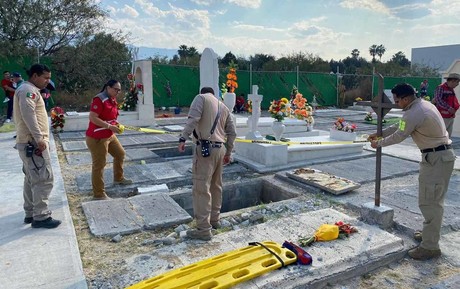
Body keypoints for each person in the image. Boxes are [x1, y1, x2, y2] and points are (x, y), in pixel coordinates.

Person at [369, 83, 455, 260]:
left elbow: (399, 136)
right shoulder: (419, 106)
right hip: (436, 157)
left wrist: (378, 143)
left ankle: (430, 247)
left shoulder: (415, 112)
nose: (396, 103)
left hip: (436, 159)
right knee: (429, 199)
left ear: (406, 98)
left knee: (430, 202)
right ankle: (428, 235)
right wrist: (380, 134)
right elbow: (399, 127)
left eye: (397, 100)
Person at [178, 87, 236, 240]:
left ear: (203, 91)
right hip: (220, 149)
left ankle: (203, 229)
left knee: (201, 188)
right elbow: (232, 132)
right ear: (214, 94)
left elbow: (193, 118)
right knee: (216, 186)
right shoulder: (223, 106)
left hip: (205, 149)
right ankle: (214, 220)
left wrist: (183, 137)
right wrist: (229, 152)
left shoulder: (201, 98)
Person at [13, 64, 61, 229]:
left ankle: (30, 212)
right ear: (34, 76)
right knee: (43, 178)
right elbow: (29, 114)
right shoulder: (29, 90)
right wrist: (39, 137)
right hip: (33, 143)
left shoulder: (27, 89)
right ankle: (40, 216)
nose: (48, 81)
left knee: (31, 178)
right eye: (45, 77)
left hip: (28, 142)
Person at [85, 79, 132, 200]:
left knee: (120, 154)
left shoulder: (112, 99)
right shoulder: (99, 99)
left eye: (119, 90)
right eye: (116, 89)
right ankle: (99, 194)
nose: (118, 92)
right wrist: (109, 126)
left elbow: (111, 116)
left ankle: (118, 178)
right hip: (97, 137)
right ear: (108, 87)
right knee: (99, 165)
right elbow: (93, 117)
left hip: (109, 135)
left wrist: (116, 125)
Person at [433, 73, 460, 137]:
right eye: (457, 82)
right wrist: (449, 108)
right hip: (443, 116)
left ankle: (447, 146)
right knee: (441, 135)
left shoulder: (451, 90)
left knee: (448, 136)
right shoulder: (441, 88)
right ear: (452, 81)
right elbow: (438, 100)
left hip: (450, 116)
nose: (458, 84)